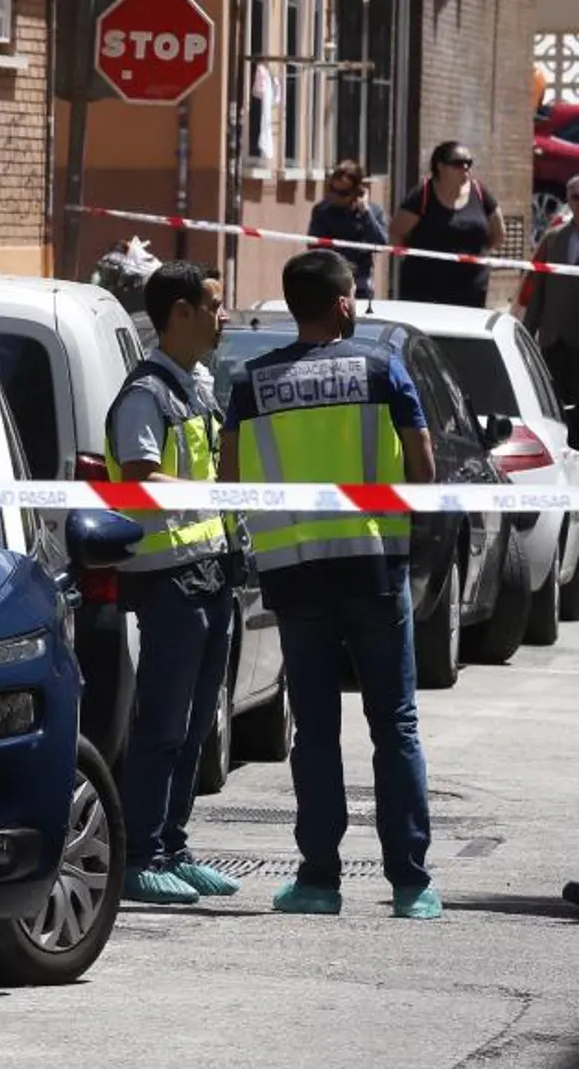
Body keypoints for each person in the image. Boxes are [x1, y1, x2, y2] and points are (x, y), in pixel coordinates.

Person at [219, 249, 442, 920]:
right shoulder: (382, 368)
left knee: (313, 728)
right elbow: (424, 468)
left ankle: (318, 877)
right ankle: (410, 883)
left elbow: (229, 482)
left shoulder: (252, 383)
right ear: (345, 303)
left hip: (295, 576)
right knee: (394, 724)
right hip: (374, 570)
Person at [102, 260, 244, 905]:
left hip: (210, 570)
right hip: (167, 579)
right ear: (179, 312)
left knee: (195, 727)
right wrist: (214, 491)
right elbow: (138, 478)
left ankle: (175, 845)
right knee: (162, 722)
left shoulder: (194, 388)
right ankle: (140, 855)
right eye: (214, 304)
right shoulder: (146, 395)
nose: (224, 315)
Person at [389, 140, 504, 308]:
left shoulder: (479, 192)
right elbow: (396, 233)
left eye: (468, 163)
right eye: (458, 163)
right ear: (440, 167)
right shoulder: (423, 195)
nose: (465, 167)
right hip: (424, 291)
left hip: (471, 291)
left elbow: (498, 235)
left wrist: (478, 255)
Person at [520, 174, 579, 447]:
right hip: (553, 339)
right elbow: (536, 290)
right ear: (568, 201)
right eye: (576, 197)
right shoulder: (554, 238)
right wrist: (526, 334)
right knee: (553, 404)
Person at [308, 160, 390, 300]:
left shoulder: (372, 212)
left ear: (356, 192)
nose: (336, 196)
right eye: (332, 190)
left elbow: (381, 243)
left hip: (360, 285)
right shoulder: (322, 211)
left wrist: (365, 214)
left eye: (343, 193)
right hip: (329, 281)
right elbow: (314, 245)